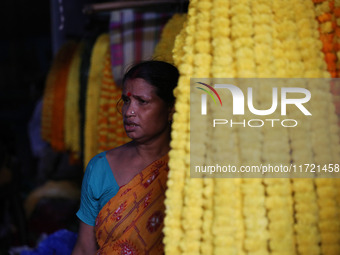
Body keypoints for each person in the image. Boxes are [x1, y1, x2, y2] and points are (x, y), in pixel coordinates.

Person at [72, 60, 179, 255]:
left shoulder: (187, 166)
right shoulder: (101, 167)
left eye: (142, 102)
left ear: (171, 108)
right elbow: (85, 247)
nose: (129, 112)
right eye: (126, 101)